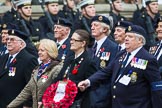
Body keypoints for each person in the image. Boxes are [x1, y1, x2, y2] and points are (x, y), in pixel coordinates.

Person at [78, 25, 162, 108]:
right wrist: (88, 81)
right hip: (117, 103)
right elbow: (107, 71)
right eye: (126, 36)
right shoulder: (122, 54)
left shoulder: (148, 58)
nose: (126, 39)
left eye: (130, 36)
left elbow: (156, 86)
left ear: (140, 40)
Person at [7, 39, 63, 108]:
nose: (39, 52)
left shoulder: (57, 68)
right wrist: (9, 106)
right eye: (39, 50)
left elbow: (58, 93)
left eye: (42, 50)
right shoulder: (37, 69)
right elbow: (25, 92)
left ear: (50, 51)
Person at [0, 29, 38, 108]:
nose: (9, 41)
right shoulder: (3, 58)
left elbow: (31, 85)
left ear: (21, 44)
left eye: (12, 39)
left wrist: (28, 105)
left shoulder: (29, 60)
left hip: (16, 104)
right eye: (7, 39)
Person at [59, 29, 97, 108]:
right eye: (71, 39)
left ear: (83, 43)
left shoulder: (89, 61)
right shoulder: (69, 59)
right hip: (63, 100)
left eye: (75, 40)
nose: (71, 42)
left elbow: (90, 83)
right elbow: (59, 77)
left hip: (78, 102)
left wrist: (70, 85)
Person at [88, 15, 118, 108]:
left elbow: (110, 71)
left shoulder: (113, 47)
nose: (92, 27)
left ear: (105, 29)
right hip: (88, 93)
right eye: (92, 25)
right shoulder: (90, 46)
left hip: (102, 95)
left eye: (96, 25)